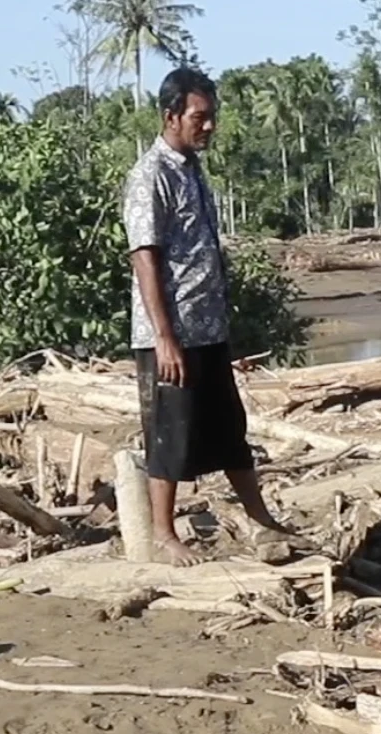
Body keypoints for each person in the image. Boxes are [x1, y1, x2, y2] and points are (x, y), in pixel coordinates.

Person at [122, 67, 301, 567]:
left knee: (228, 429)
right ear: (171, 116)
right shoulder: (149, 176)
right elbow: (145, 257)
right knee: (170, 433)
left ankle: (260, 517)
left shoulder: (191, 170)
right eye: (199, 117)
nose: (209, 127)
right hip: (171, 332)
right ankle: (163, 533)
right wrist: (164, 337)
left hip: (207, 328)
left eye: (211, 117)